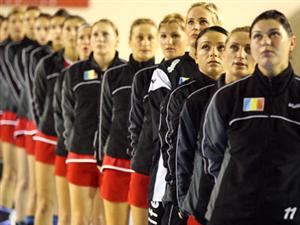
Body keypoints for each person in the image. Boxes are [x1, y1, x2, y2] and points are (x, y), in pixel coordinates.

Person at [201, 10, 299, 225]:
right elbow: (212, 154)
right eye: (257, 36)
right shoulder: (227, 97)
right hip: (231, 213)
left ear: (291, 42)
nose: (265, 42)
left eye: (274, 34)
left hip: (286, 214)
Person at [146, 2, 222, 225]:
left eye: (203, 21)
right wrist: (176, 188)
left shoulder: (232, 82)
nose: (196, 27)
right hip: (177, 183)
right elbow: (165, 139)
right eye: (191, 21)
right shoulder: (171, 71)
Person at [176, 26, 255, 225]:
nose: (240, 55)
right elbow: (183, 154)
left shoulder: (269, 101)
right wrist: (184, 200)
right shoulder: (197, 100)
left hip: (251, 208)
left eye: (248, 49)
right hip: (202, 204)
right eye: (234, 48)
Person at [163, 26, 228, 225]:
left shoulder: (236, 93)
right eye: (206, 47)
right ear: (196, 55)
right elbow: (175, 151)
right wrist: (182, 198)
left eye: (221, 47)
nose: (214, 53)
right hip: (191, 197)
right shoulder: (184, 96)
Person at [63, 19, 125, 225]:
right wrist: (73, 140)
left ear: (117, 39)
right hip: (80, 152)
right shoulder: (74, 72)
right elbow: (67, 114)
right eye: (96, 34)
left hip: (111, 157)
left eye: (105, 34)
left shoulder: (126, 72)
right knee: (79, 218)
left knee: (101, 219)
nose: (99, 39)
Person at [128, 13, 187, 225]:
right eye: (163, 36)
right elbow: (135, 123)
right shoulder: (144, 77)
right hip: (146, 163)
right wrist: (138, 155)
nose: (168, 41)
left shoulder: (195, 73)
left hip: (174, 169)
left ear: (187, 37)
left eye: (175, 35)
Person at [98, 18, 157, 225]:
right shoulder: (113, 75)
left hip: (148, 165)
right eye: (139, 37)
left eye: (150, 37)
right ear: (130, 41)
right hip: (116, 160)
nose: (145, 42)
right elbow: (104, 118)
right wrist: (100, 158)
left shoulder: (163, 76)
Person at [53, 15, 86, 225]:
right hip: (71, 148)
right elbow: (59, 112)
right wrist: (69, 140)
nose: (77, 38)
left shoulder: (109, 72)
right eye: (72, 31)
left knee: (96, 217)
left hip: (100, 154)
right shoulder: (67, 73)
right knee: (68, 213)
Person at [0, 8, 25, 223]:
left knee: (20, 174)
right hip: (10, 114)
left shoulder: (30, 49)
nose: (18, 25)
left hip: (25, 116)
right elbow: (18, 85)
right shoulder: (5, 50)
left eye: (21, 21)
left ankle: (16, 215)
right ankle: (4, 215)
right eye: (14, 21)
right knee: (10, 171)